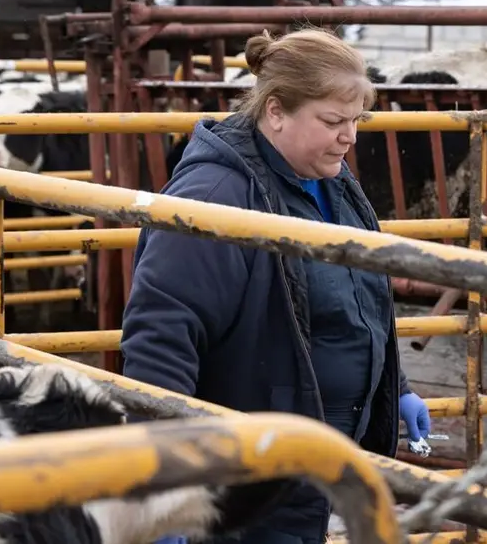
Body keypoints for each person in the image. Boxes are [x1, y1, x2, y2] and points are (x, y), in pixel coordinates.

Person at [121, 28, 432, 544]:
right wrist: (166, 485)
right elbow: (163, 333)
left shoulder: (332, 181)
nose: (349, 136)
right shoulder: (216, 195)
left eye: (356, 121)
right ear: (276, 112)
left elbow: (356, 302)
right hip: (252, 468)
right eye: (333, 121)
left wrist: (394, 388)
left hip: (317, 460)